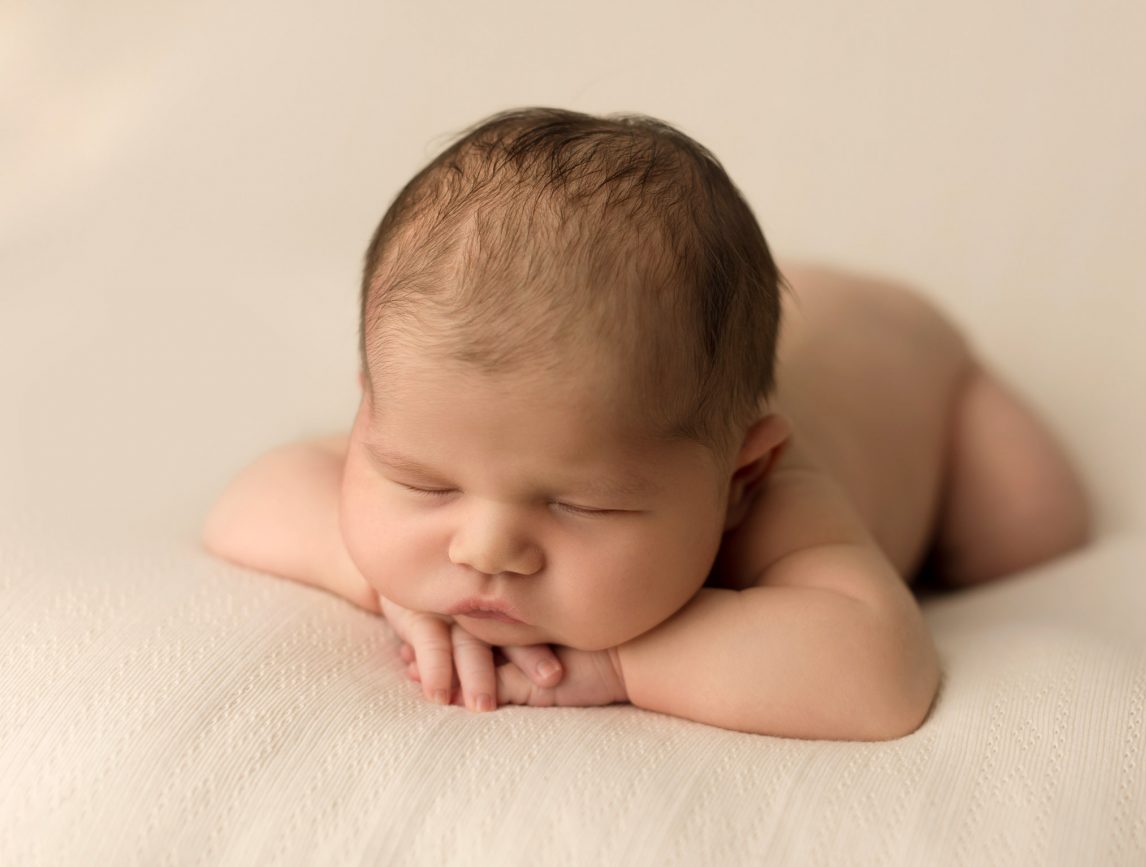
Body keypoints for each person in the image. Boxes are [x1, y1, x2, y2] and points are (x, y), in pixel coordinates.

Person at [202, 106, 1093, 741]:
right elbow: (249, 502)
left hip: (914, 364)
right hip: (721, 337)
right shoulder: (473, 408)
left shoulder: (778, 498)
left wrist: (626, 665)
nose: (485, 546)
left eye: (580, 505)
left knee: (1027, 528)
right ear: (368, 411)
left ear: (739, 480)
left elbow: (880, 674)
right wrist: (386, 587)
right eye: (422, 483)